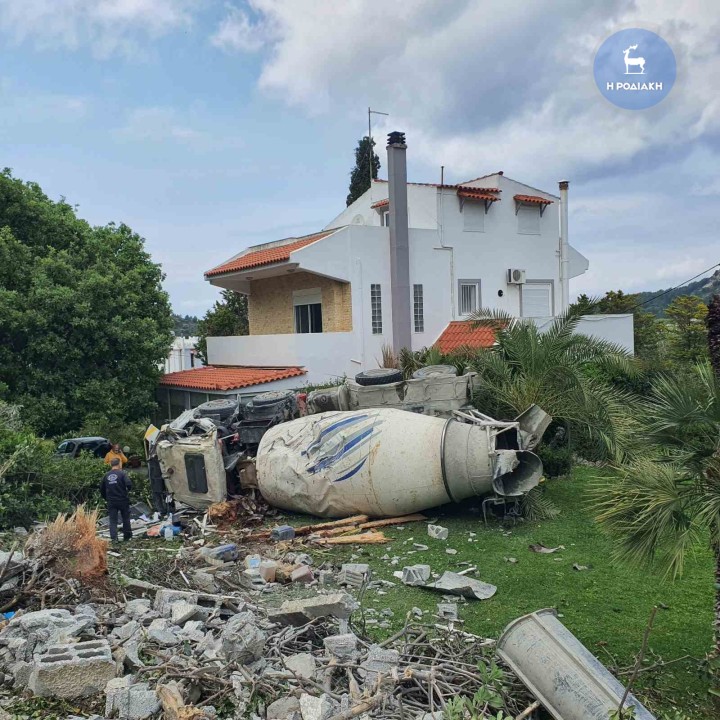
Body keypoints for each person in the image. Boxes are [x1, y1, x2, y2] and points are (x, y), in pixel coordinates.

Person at [100, 458, 133, 542]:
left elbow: (102, 489)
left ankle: (114, 538)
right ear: (119, 464)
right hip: (122, 499)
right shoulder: (122, 474)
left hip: (111, 501)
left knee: (113, 520)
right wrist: (126, 491)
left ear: (111, 464)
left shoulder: (106, 475)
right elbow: (129, 484)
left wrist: (106, 498)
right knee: (125, 518)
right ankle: (127, 536)